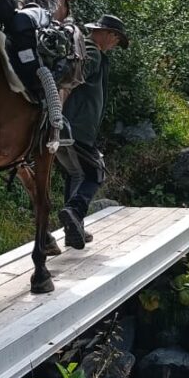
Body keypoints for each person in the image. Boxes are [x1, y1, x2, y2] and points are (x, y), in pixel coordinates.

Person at [55, 14, 129, 250]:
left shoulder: (84, 49)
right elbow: (72, 78)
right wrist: (61, 115)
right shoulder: (91, 51)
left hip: (66, 128)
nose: (115, 43)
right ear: (106, 33)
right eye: (116, 38)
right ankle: (74, 212)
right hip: (75, 128)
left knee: (76, 175)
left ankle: (73, 229)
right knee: (96, 172)